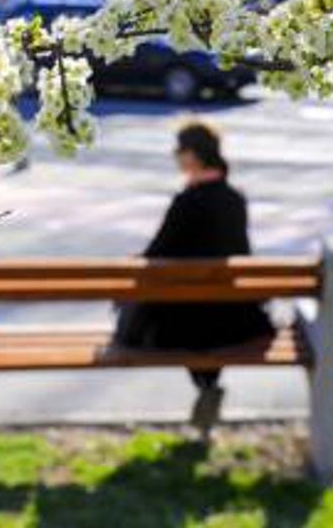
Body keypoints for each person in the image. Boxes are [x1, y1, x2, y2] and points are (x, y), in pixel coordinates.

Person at [112, 121, 275, 437]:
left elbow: (155, 256)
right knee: (206, 321)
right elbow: (241, 252)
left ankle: (207, 387)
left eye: (179, 150)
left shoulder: (186, 202)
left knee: (172, 314)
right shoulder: (235, 200)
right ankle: (208, 386)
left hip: (180, 323)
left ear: (194, 156)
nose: (175, 156)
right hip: (234, 319)